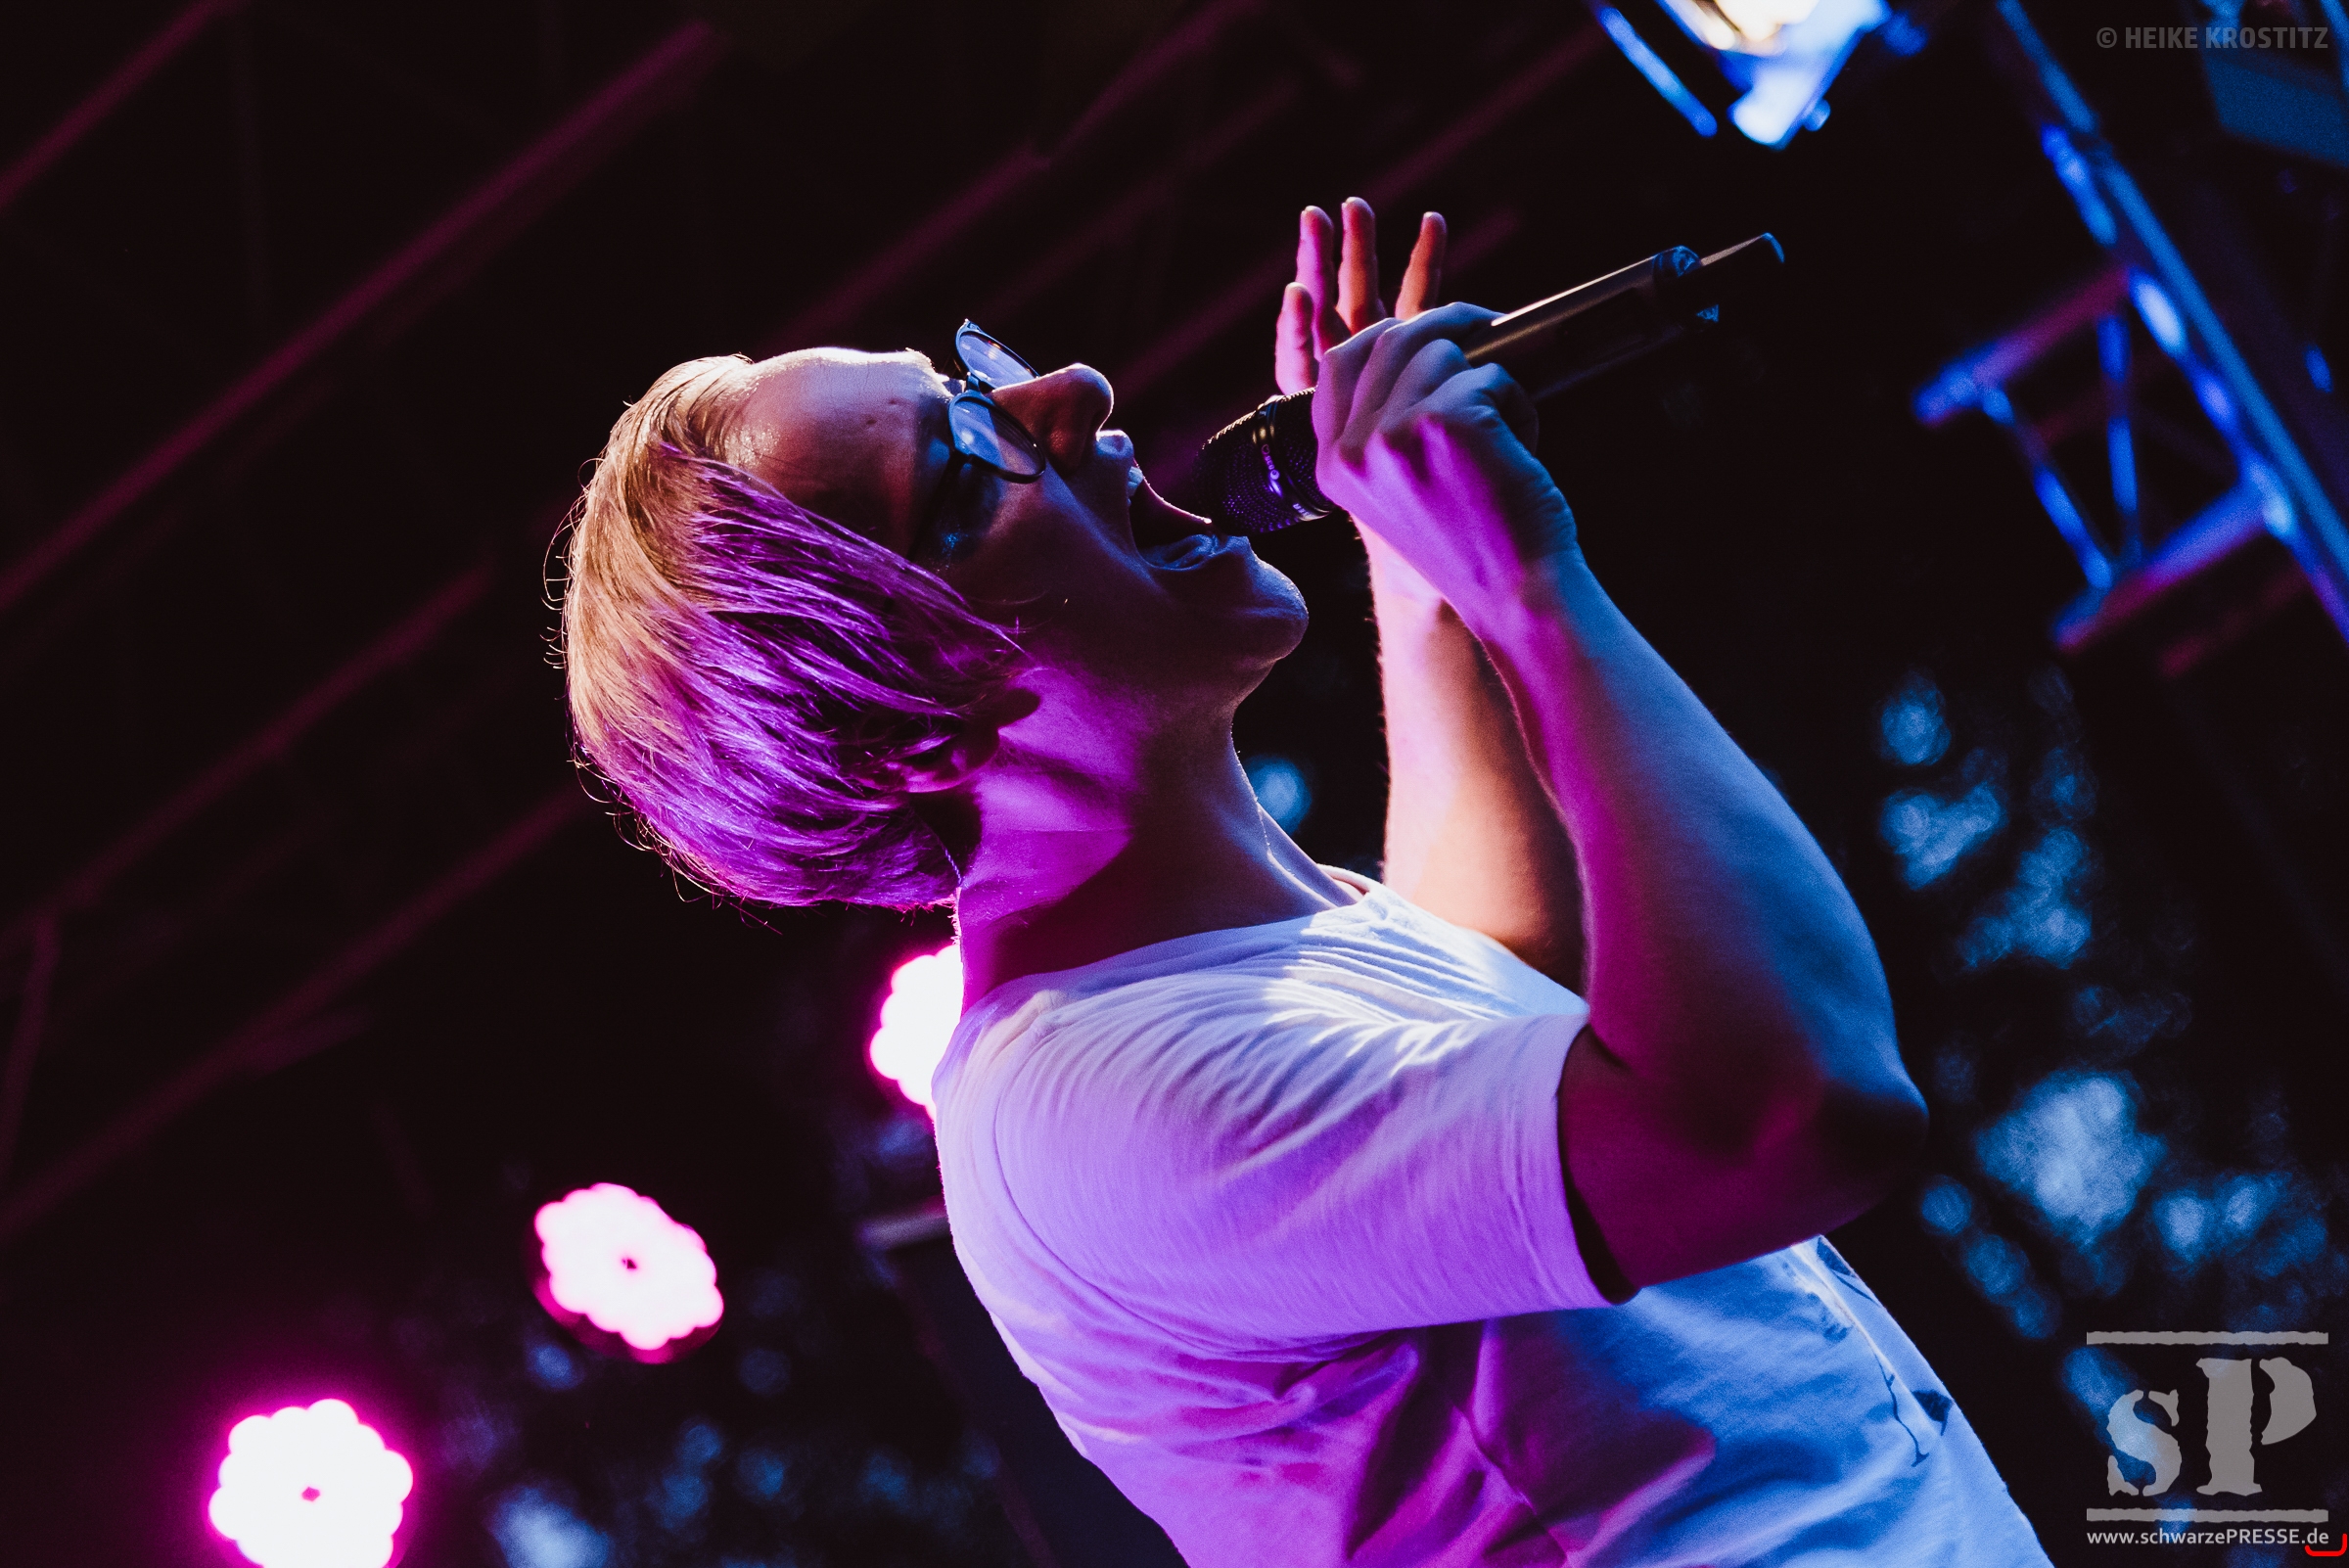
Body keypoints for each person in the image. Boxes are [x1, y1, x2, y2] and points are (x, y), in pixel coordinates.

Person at [561, 199, 2051, 1565]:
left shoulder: (1203, 972)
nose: (1069, 390)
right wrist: (1527, 580)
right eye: (963, 464)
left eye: (968, 378)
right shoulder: (1093, 1113)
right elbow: (1787, 1117)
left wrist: (1420, 570)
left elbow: (1491, 1005)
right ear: (905, 722)